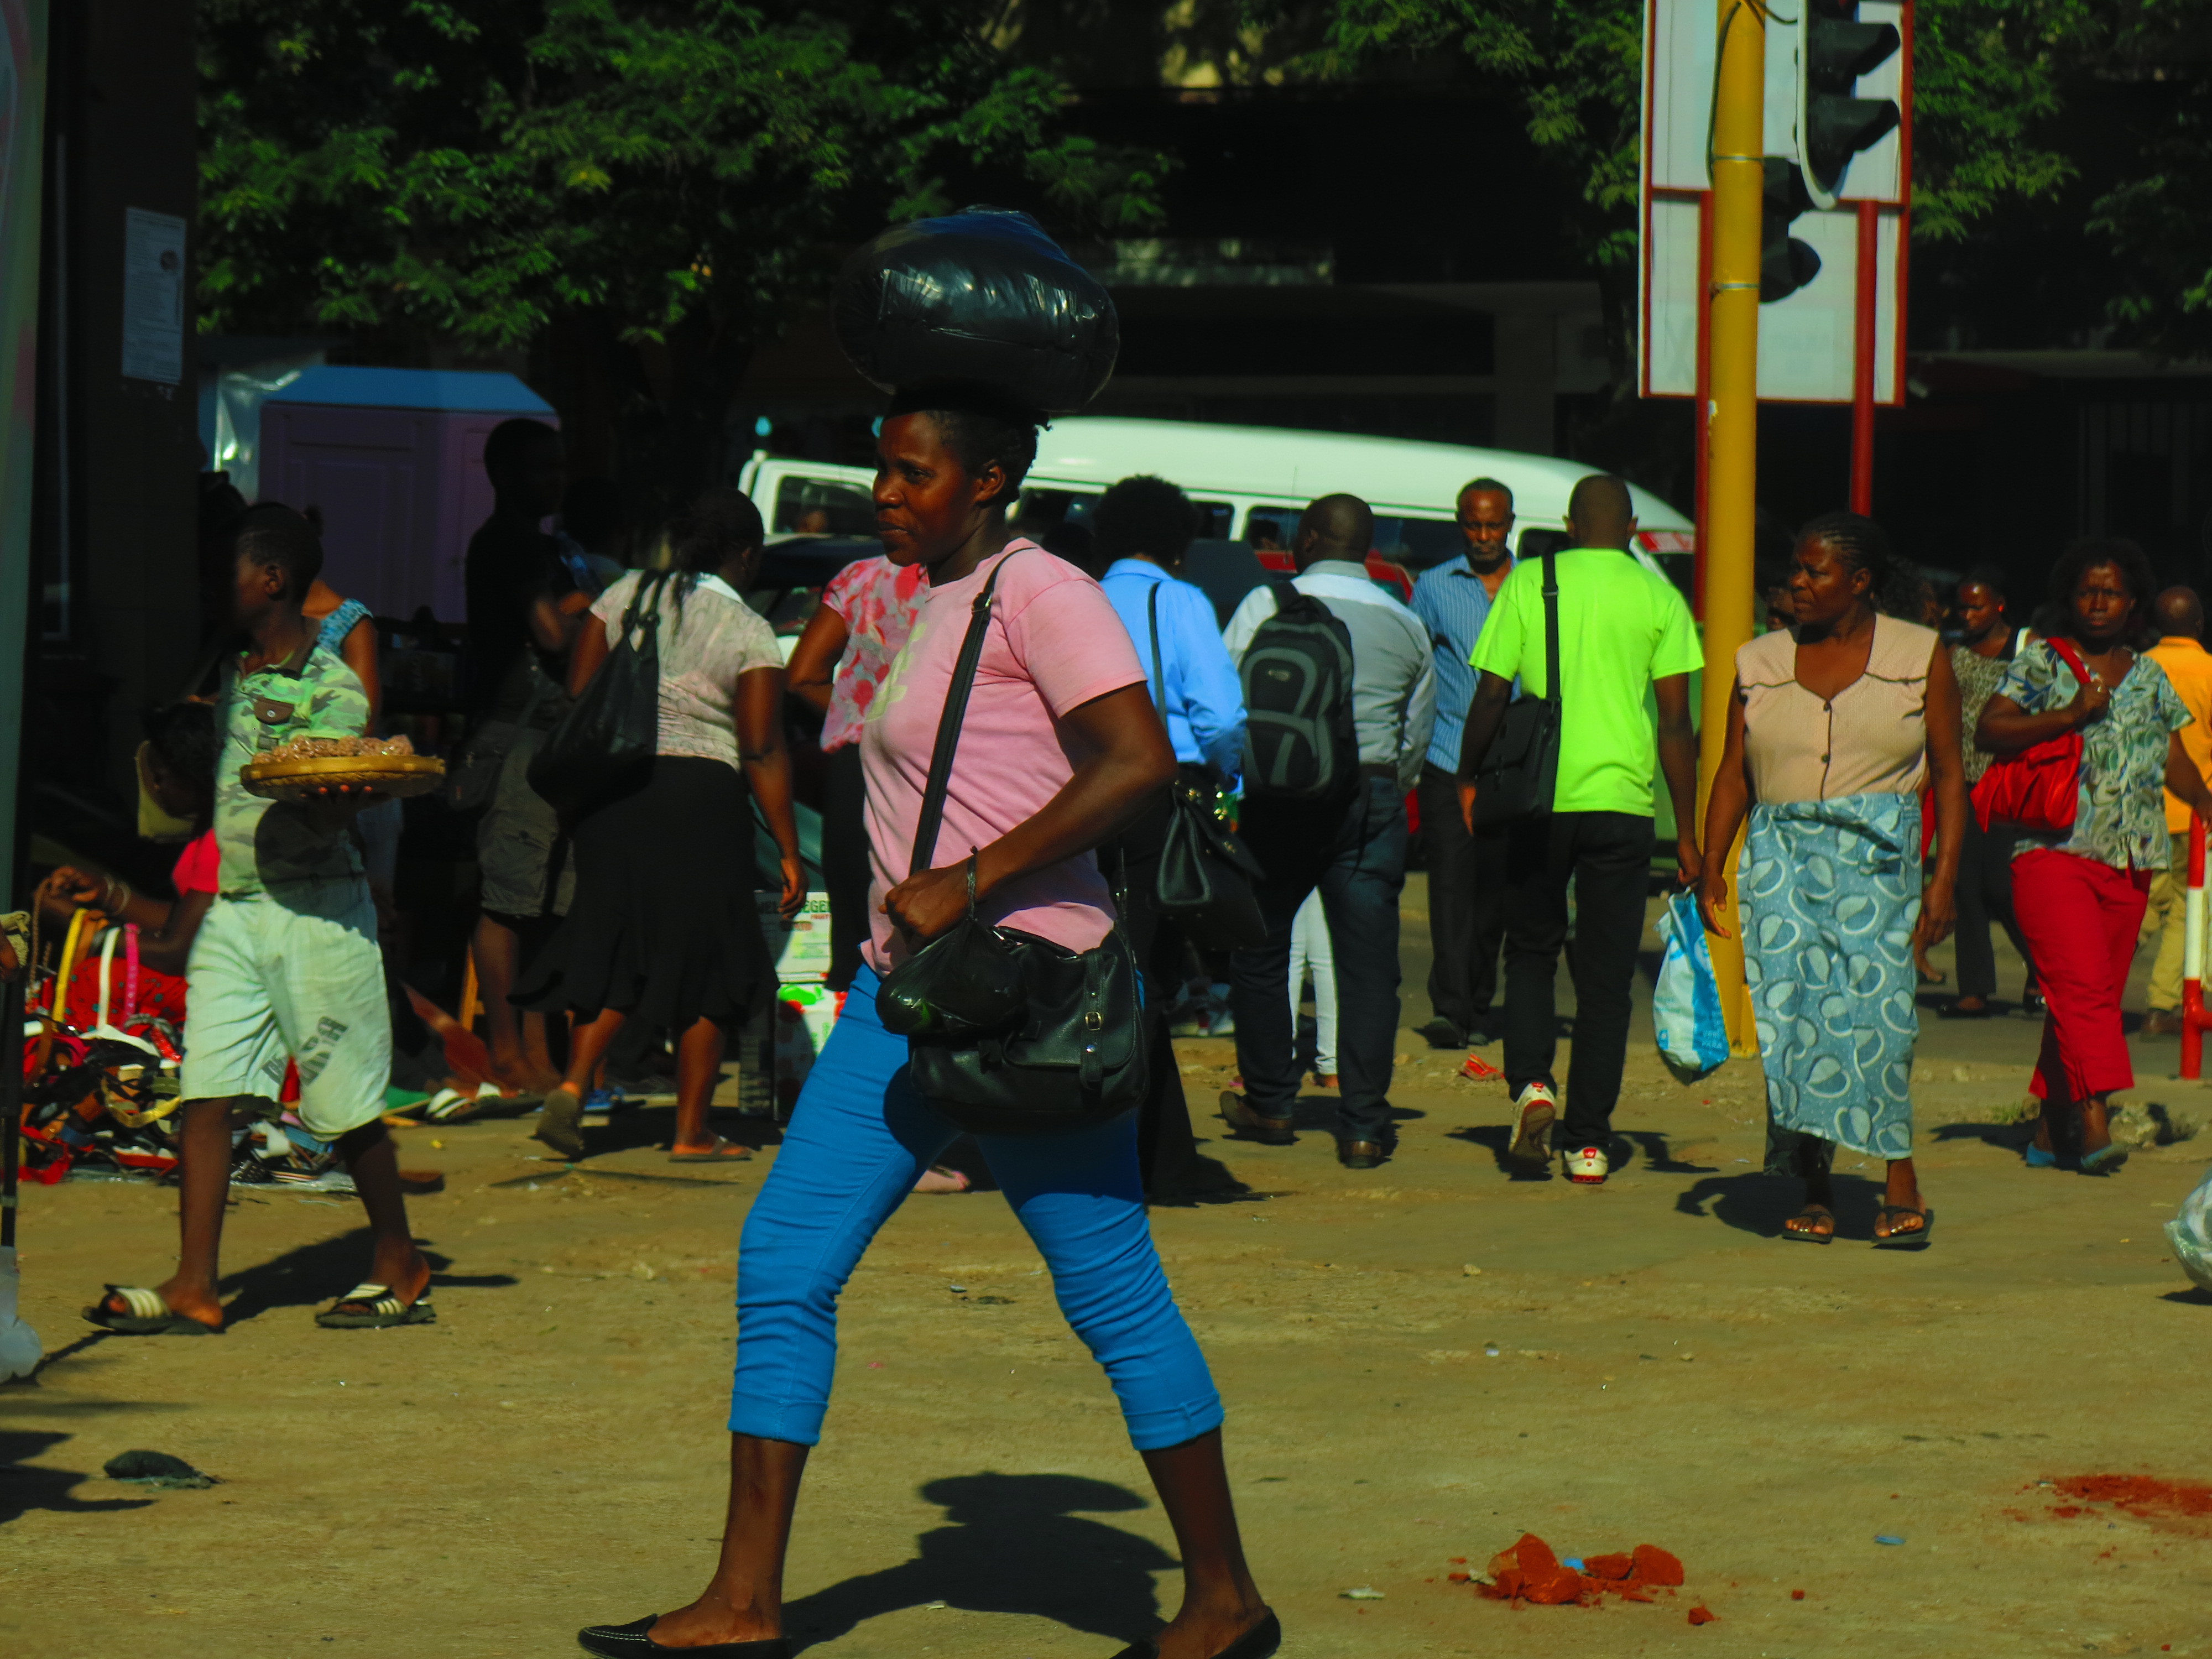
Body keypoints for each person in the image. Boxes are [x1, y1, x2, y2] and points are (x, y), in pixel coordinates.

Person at [573, 385, 1275, 1659]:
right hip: (904, 999)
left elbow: (1137, 760)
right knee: (783, 1262)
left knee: (1109, 1289)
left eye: (913, 473)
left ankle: (1224, 1599)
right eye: (882, 470)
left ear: (988, 479)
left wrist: (975, 872)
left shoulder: (1041, 590)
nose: (884, 494)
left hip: (1027, 997)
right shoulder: (926, 597)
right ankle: (743, 1602)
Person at [84, 506, 429, 1334]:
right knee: (206, 1095)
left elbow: (336, 793)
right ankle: (194, 1284)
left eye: (224, 572)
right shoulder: (230, 676)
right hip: (236, 911)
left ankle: (399, 1259)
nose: (210, 588)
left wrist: (334, 798)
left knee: (343, 1103)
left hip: (317, 913)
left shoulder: (331, 684)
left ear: (270, 580)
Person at [516, 490, 805, 1163]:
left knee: (616, 944)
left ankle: (573, 1082)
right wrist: (789, 848)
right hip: (700, 800)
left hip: (615, 793)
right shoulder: (749, 630)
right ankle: (691, 1132)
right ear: (746, 554)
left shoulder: (625, 594)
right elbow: (761, 747)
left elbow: (581, 692)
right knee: (708, 961)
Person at [1698, 513, 1964, 1245]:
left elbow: (1949, 776)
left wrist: (1943, 881)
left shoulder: (1919, 654)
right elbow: (1733, 774)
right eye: (1796, 568)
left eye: (1815, 571)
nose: (1797, 582)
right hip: (1781, 863)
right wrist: (1711, 865)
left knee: (1883, 1020)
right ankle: (1815, 1184)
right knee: (1796, 1021)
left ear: (1861, 581)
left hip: (1878, 864)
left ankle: (1899, 1176)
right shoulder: (1758, 661)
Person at [1458, 474, 1701, 1185]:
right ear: (1631, 528)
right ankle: (1589, 1143)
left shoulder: (1529, 581)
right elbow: (1676, 725)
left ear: (1568, 525)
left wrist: (1467, 777)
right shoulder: (1659, 598)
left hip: (1539, 800)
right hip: (1622, 805)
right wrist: (1686, 836)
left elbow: (1492, 693)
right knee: (1604, 981)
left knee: (1531, 950)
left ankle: (1533, 1086)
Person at [1980, 540, 2212, 1173]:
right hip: (2051, 852)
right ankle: (2092, 1121)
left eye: (2111, 592)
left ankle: (2047, 1130)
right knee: (2083, 992)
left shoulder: (2148, 673)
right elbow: (1989, 730)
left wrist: (2204, 801)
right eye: (2087, 591)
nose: (2098, 602)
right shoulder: (2043, 661)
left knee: (2088, 998)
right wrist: (2066, 714)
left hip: (2132, 857)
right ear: (2069, 597)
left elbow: (2170, 754)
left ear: (2133, 602)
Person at [1217, 494, 1434, 1170]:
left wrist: (1238, 786)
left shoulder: (1264, 606)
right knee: (1367, 966)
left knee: (1261, 949)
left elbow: (1227, 710)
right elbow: (1415, 736)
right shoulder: (1404, 622)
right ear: (1367, 548)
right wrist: (1385, 788)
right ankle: (1363, 1125)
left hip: (1278, 800)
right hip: (1369, 799)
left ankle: (1270, 1104)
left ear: (1308, 539)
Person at [1094, 474, 1249, 1194]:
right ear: (1177, 545)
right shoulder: (1178, 601)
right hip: (1162, 795)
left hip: (1079, 800)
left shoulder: (1076, 598)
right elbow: (1219, 716)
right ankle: (1149, 1158)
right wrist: (1229, 781)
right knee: (1148, 973)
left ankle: (1136, 1147)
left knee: (1094, 965)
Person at [458, 417, 583, 1096]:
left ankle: (536, 1051)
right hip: (517, 740)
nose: (554, 481)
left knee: (543, 904)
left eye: (559, 468)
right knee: (510, 902)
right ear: (503, 475)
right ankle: (506, 1051)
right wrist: (590, 603)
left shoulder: (539, 543)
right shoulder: (508, 542)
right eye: (541, 468)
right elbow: (551, 634)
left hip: (544, 737)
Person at [786, 550, 928, 992]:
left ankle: (856, 1028)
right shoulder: (975, 578)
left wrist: (864, 720)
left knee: (856, 937)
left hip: (858, 770)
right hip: (937, 770)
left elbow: (803, 675)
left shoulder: (861, 578)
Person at [1410, 477, 1517, 1051]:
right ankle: (1450, 1010)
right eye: (1473, 525)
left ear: (1510, 524)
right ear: (1460, 524)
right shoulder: (1433, 586)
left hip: (1514, 766)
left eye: (1493, 525)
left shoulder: (1534, 585)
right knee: (1451, 890)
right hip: (1448, 758)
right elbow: (1416, 665)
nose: (1483, 535)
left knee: (1495, 894)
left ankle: (1479, 1002)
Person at [41, 702, 221, 1026]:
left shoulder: (218, 843)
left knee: (93, 978)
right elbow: (184, 921)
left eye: (161, 778)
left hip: (214, 985)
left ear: (192, 777)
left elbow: (176, 951)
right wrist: (107, 892)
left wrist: (81, 929)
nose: (156, 788)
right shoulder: (205, 832)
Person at [1944, 566, 2038, 1020]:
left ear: (1999, 604)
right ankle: (1975, 988)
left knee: (2001, 885)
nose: (1967, 615)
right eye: (1962, 607)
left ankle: (2042, 967)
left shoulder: (2027, 645)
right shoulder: (1954, 651)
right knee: (1965, 885)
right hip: (1962, 778)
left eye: (1976, 606)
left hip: (2008, 779)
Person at [2141, 586, 2212, 1036]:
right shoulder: (2209, 672)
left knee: (2142, 906)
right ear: (2200, 625)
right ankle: (2162, 1006)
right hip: (2195, 810)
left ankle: (2087, 990)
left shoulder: (2137, 668)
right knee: (2189, 909)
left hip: (2141, 810)